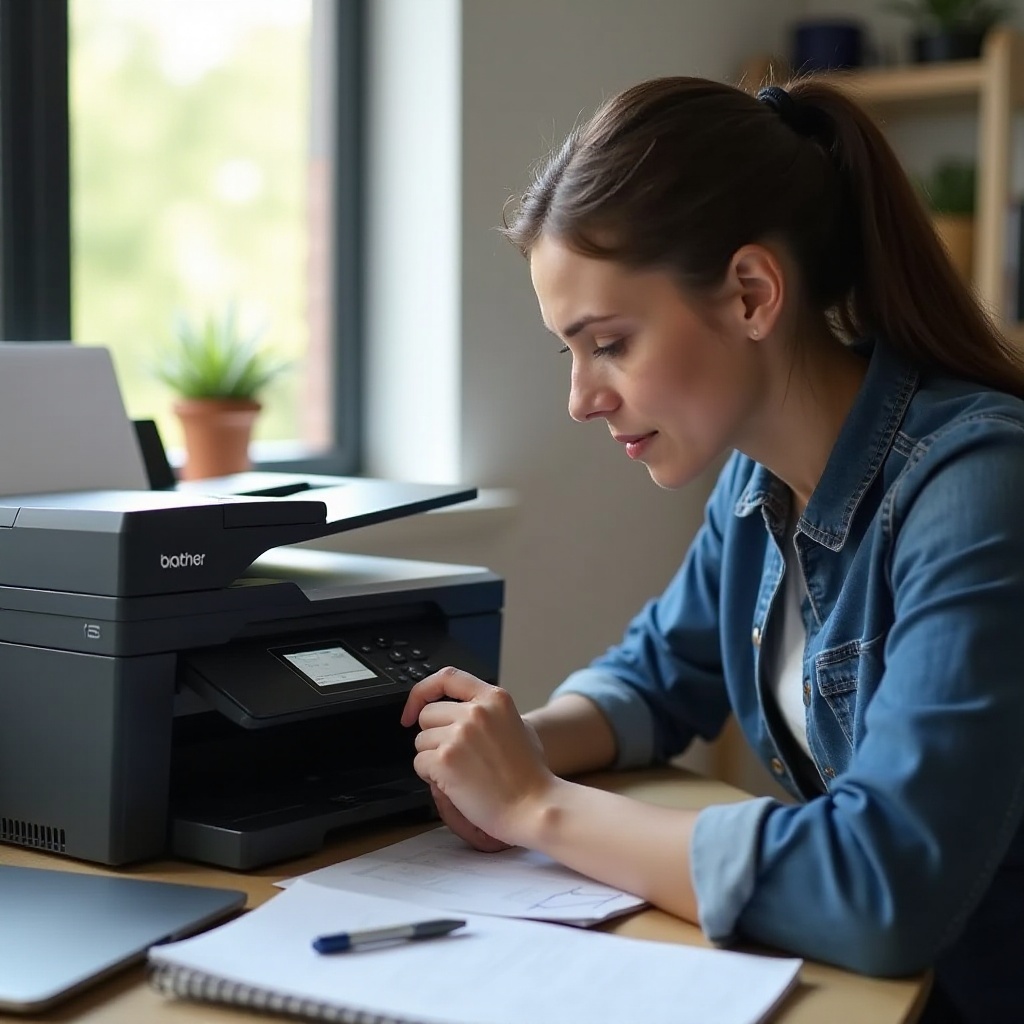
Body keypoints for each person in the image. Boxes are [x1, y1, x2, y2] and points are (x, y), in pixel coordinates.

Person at [400, 74, 1024, 1024]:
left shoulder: (975, 487)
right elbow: (657, 675)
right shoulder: (754, 484)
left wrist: (537, 807)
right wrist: (521, 743)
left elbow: (883, 887)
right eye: (568, 352)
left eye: (608, 342)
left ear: (750, 293)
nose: (581, 398)